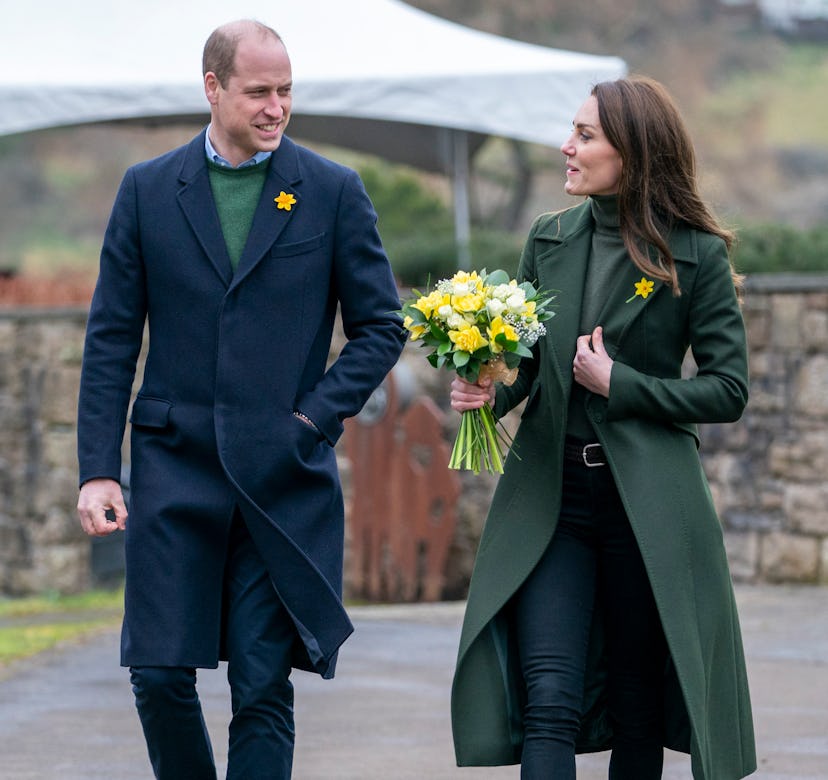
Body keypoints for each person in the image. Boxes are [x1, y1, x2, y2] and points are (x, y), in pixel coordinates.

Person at [75, 19, 404, 780]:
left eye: (286, 91)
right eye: (259, 91)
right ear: (213, 87)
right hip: (172, 473)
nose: (276, 107)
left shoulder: (331, 191)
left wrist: (314, 420)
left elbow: (380, 327)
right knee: (157, 677)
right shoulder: (147, 190)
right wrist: (98, 469)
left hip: (279, 481)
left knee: (261, 688)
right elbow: (112, 340)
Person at [449, 76, 756, 779]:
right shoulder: (548, 239)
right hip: (552, 502)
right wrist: (485, 395)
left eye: (586, 135)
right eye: (574, 130)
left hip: (647, 507)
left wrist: (624, 385)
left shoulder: (697, 254)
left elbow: (728, 388)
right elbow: (526, 369)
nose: (568, 146)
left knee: (636, 706)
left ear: (636, 151)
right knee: (548, 700)